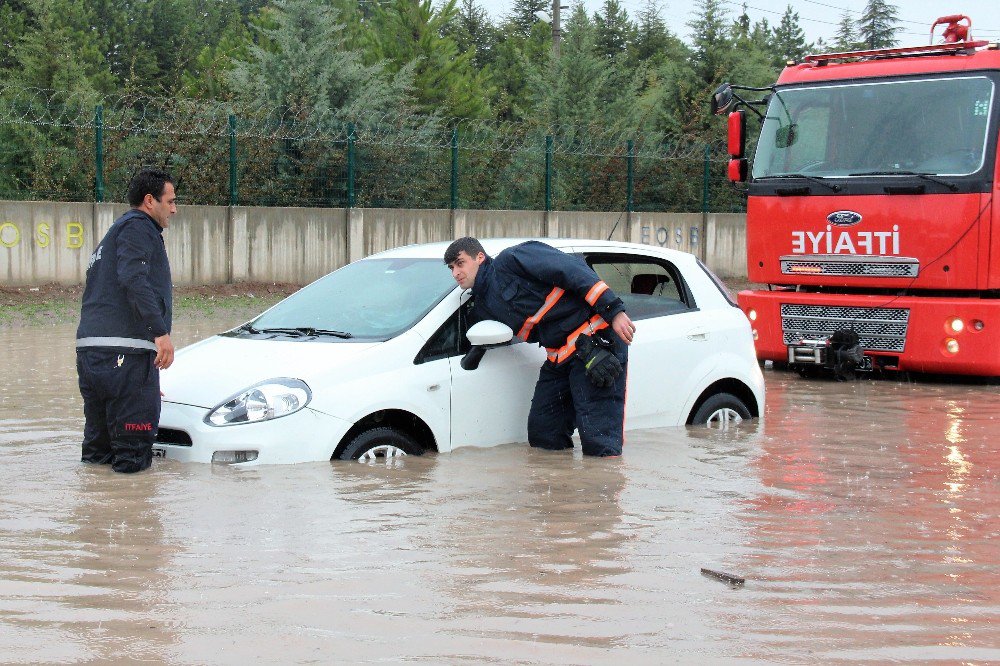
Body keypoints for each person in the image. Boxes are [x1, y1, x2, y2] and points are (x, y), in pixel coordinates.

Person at [444, 237, 636, 457]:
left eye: (460, 263)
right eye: (451, 268)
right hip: (558, 357)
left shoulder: (514, 259)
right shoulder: (483, 303)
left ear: (480, 257)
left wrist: (614, 311)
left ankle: (604, 487)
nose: (455, 273)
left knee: (599, 443)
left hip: (596, 342)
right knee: (544, 434)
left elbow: (573, 271)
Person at [75, 169, 177, 473]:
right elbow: (134, 278)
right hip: (124, 355)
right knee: (132, 460)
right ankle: (131, 516)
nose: (174, 209)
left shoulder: (113, 234)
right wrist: (160, 334)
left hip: (93, 358)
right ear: (149, 201)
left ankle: (96, 514)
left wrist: (136, 380)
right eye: (170, 201)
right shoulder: (139, 228)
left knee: (98, 452)